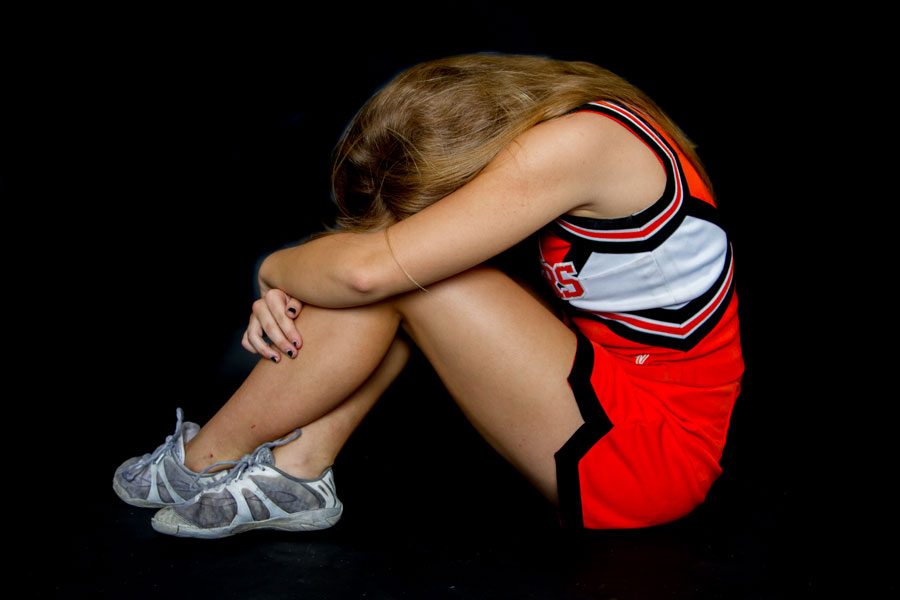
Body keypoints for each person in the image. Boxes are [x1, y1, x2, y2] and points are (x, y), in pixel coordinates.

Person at [112, 53, 744, 538]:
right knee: (386, 273)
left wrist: (274, 271)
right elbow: (366, 267)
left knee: (397, 276)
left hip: (654, 452)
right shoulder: (571, 127)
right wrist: (321, 275)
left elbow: (367, 273)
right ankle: (296, 474)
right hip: (610, 403)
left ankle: (201, 459)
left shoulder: (581, 144)